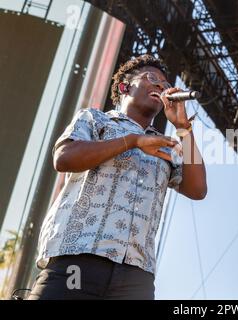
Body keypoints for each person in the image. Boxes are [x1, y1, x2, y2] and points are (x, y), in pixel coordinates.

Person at [27, 54, 207, 300]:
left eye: (165, 84)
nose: (160, 85)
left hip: (136, 274)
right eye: (151, 78)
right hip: (78, 256)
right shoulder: (94, 119)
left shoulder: (166, 145)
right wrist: (132, 141)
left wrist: (184, 128)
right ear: (124, 86)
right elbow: (64, 158)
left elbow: (197, 189)